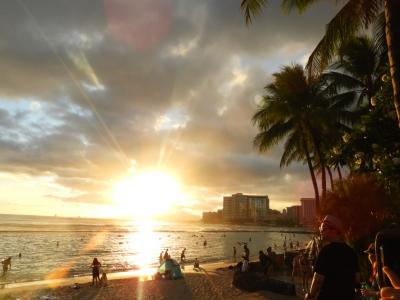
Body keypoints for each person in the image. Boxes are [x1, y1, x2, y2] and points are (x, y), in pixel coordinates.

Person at [305, 215, 360, 300]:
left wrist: (310, 295)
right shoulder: (351, 252)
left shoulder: (326, 251)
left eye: (323, 227)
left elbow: (318, 279)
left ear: (334, 230)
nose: (321, 230)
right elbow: (357, 279)